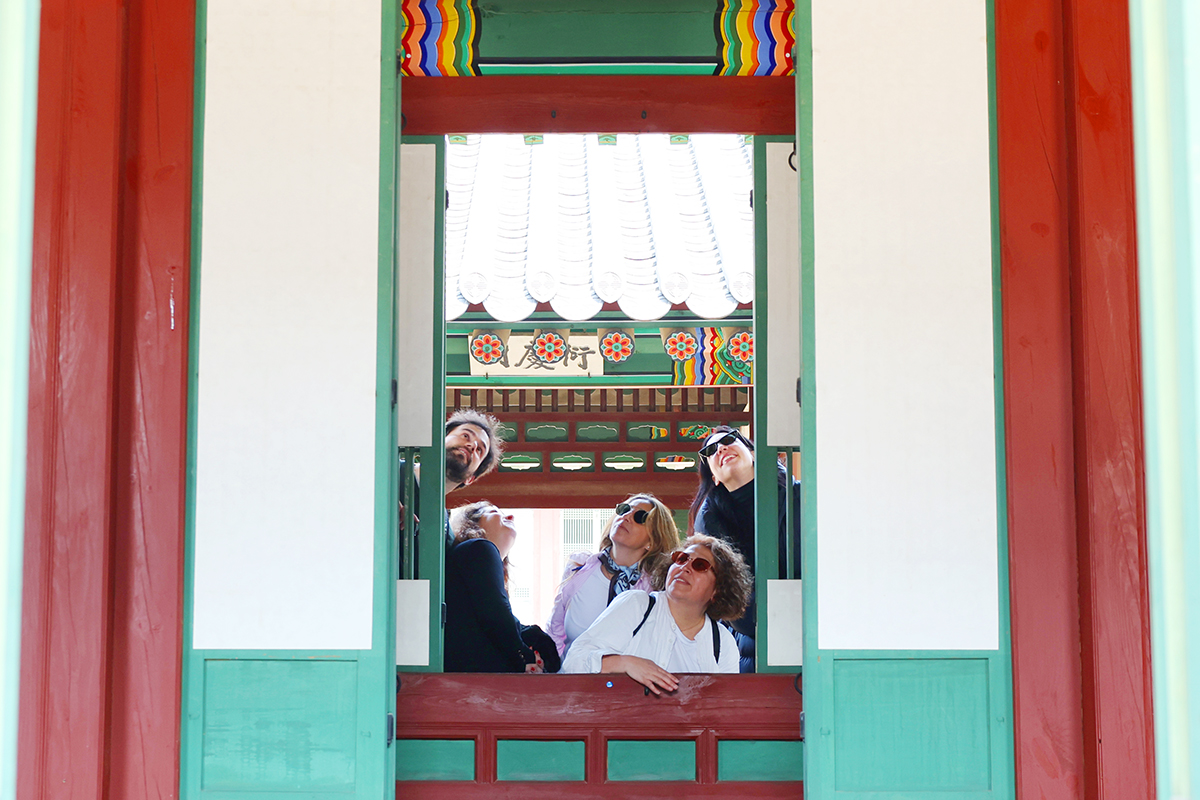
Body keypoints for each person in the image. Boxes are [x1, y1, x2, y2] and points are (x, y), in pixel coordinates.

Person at [561, 535, 752, 693]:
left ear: (718, 589)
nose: (684, 567)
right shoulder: (636, 605)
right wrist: (625, 663)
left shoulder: (723, 641)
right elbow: (573, 662)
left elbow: (725, 709)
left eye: (700, 565)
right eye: (681, 558)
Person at [688, 425, 801, 672]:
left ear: (751, 451)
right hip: (755, 642)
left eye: (729, 439)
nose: (721, 448)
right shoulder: (709, 521)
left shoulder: (799, 494)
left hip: (816, 627)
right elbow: (727, 597)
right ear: (713, 475)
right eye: (710, 450)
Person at [547, 494, 678, 657]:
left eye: (640, 517)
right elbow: (555, 631)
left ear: (652, 542)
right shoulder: (578, 566)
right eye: (624, 510)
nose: (627, 517)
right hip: (571, 677)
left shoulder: (655, 591)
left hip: (626, 680)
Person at [444, 501, 559, 673]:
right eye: (493, 511)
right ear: (472, 523)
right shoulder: (480, 547)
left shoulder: (470, 556)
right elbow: (495, 613)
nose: (510, 517)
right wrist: (524, 657)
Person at [399, 408, 504, 576]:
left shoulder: (446, 533)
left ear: (470, 479)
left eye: (480, 450)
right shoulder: (386, 468)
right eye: (465, 436)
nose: (472, 445)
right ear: (441, 438)